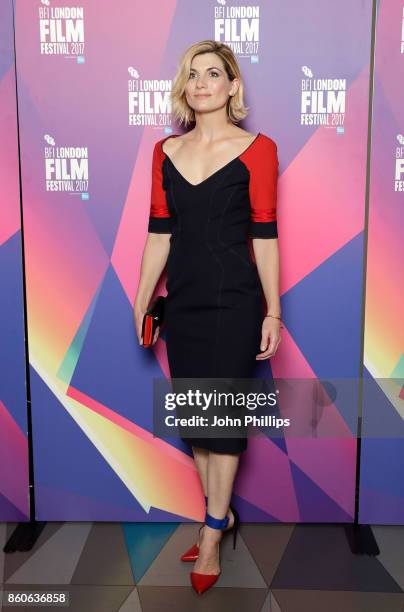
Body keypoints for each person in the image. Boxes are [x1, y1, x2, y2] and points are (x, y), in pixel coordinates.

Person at [134, 39, 281, 595]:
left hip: (237, 304)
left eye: (213, 73)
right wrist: (142, 296)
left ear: (232, 85)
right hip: (186, 304)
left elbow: (264, 235)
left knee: (223, 425)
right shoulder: (164, 152)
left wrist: (274, 309)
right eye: (192, 74)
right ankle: (219, 515)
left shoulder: (259, 150)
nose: (201, 83)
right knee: (197, 421)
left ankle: (213, 532)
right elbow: (159, 232)